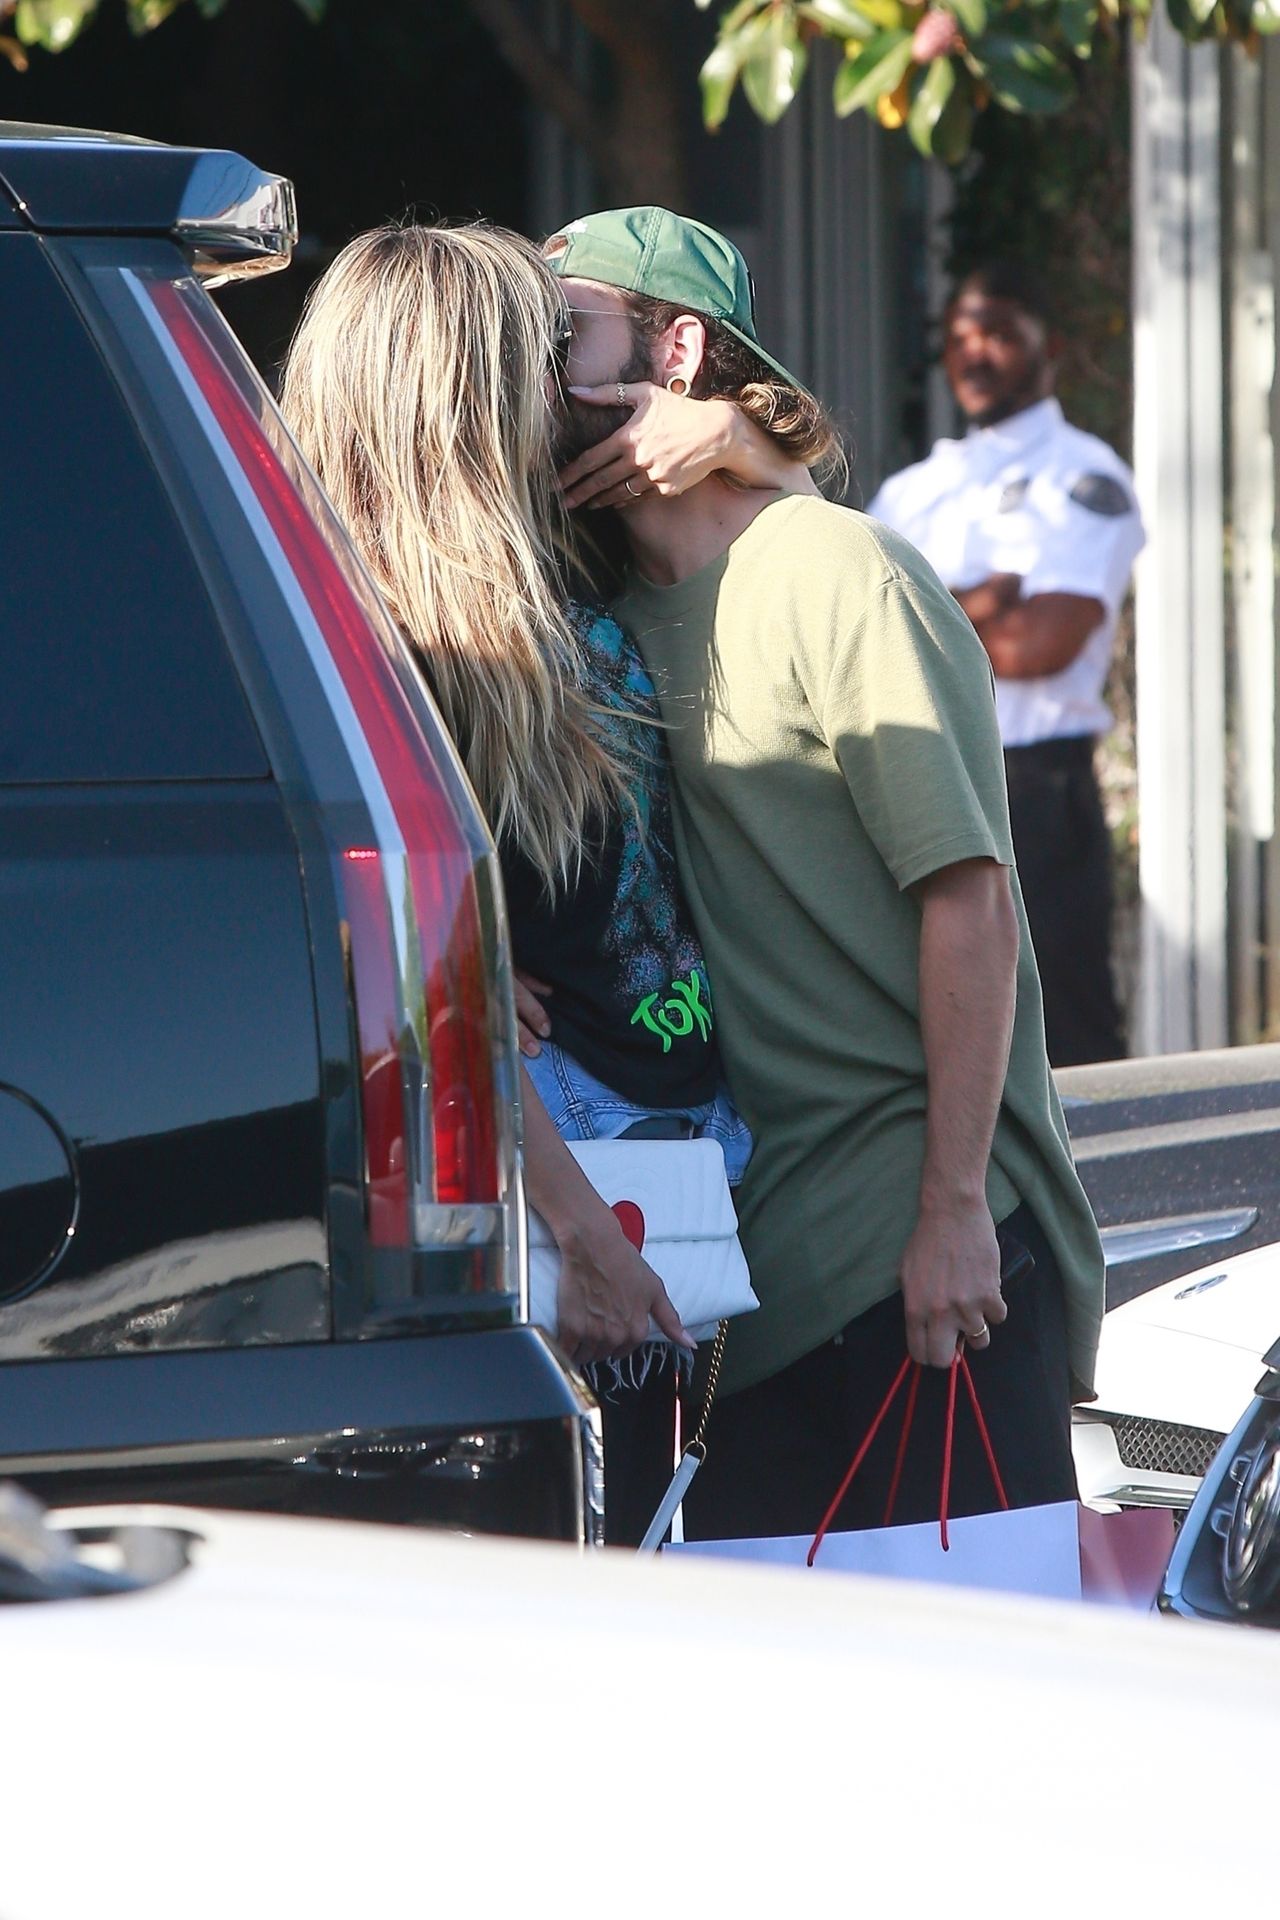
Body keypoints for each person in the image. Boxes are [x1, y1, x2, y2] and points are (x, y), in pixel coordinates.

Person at [538, 206, 1107, 1541]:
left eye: (559, 332)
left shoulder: (839, 571)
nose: (523, 362)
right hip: (741, 1291)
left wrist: (952, 1212)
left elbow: (970, 900)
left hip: (914, 1268)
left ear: (676, 351)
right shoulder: (600, 625)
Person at [278, 221, 804, 1543]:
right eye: (540, 351)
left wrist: (746, 441)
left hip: (665, 1179)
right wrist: (584, 1238)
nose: (567, 381)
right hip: (569, 1222)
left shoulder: (550, 569)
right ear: (467, 393)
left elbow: (804, 549)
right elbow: (413, 992)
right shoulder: (378, 651)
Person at [867, 263, 1145, 1068]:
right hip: (918, 774)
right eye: (958, 337)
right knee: (932, 1030)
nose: (973, 354)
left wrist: (927, 615)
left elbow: (1043, 646)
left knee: (1063, 1032)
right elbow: (859, 633)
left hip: (1033, 788)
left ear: (1048, 346)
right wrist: (984, 601)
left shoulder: (1082, 475)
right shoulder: (914, 491)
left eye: (997, 333)